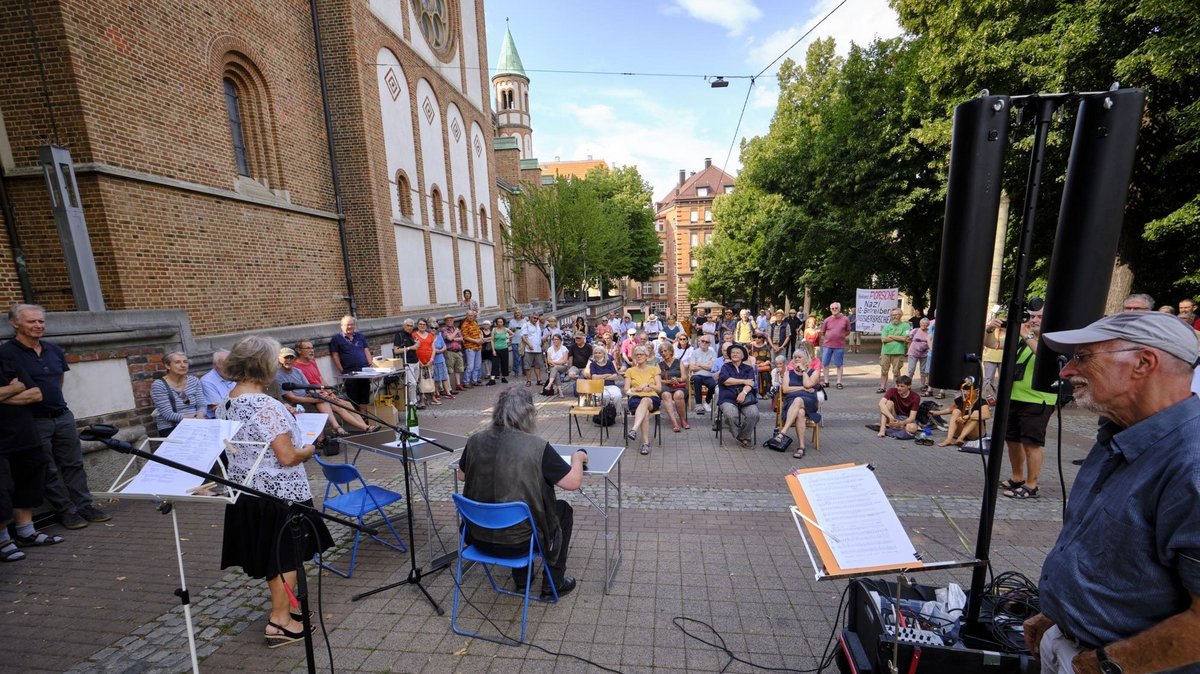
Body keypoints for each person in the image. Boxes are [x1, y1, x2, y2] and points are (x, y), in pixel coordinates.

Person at [1022, 311, 1200, 674]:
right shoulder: (1117, 432)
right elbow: (1108, 555)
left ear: (1144, 362)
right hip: (1074, 644)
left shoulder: (1190, 464)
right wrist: (1056, 616)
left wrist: (1109, 662)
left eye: (1083, 357)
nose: (1066, 371)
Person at [216, 335, 333, 647]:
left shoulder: (226, 403)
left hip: (249, 493)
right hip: (280, 495)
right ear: (264, 366)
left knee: (273, 557)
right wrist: (309, 448)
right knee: (286, 558)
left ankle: (283, 613)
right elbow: (287, 456)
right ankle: (279, 621)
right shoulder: (265, 404)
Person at [457, 386, 586, 598]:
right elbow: (573, 483)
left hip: (477, 538)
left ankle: (521, 578)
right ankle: (553, 583)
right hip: (519, 542)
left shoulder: (475, 440)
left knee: (511, 505)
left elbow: (462, 475)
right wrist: (578, 457)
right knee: (562, 510)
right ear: (529, 413)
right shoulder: (537, 446)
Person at [0, 304, 110, 530]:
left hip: (62, 415)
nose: (38, 325)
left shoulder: (53, 349)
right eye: (32, 321)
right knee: (46, 468)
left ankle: (84, 505)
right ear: (14, 323)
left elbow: (58, 381)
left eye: (41, 321)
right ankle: (66, 511)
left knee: (74, 463)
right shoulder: (6, 353)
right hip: (33, 421)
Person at [984, 301, 1057, 500]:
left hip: (1038, 399)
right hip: (1013, 397)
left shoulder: (1052, 339)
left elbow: (1044, 359)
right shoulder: (1021, 339)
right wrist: (990, 329)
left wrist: (1027, 335)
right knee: (1012, 440)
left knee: (1031, 443)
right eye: (1032, 316)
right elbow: (992, 345)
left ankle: (1032, 484)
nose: (1034, 320)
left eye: (1040, 317)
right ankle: (1017, 477)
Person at [0, 349, 62, 560]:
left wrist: (4, 393)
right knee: (1, 489)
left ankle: (26, 531)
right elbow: (24, 391)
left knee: (29, 482)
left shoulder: (7, 361)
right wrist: (15, 388)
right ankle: (3, 540)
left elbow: (36, 394)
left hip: (24, 435)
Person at [292, 340, 374, 430]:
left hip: (325, 393)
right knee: (339, 408)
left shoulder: (312, 362)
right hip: (315, 396)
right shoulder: (296, 367)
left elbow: (321, 379)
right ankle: (364, 427)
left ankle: (366, 427)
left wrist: (331, 393)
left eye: (312, 348)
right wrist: (323, 394)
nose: (312, 350)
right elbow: (304, 386)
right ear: (299, 350)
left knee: (347, 404)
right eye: (308, 348)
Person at [772, 349, 820, 459]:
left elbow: (808, 384)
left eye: (799, 357)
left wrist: (803, 372)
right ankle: (801, 447)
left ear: (806, 359)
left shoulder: (814, 372)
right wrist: (802, 388)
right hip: (791, 403)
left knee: (798, 400)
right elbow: (785, 390)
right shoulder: (788, 373)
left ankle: (783, 432)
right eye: (795, 357)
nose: (797, 359)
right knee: (800, 412)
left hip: (809, 401)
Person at [150, 351, 207, 435]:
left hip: (196, 423)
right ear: (167, 365)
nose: (183, 365)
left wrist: (200, 415)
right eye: (177, 362)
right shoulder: (159, 385)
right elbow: (168, 414)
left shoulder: (193, 380)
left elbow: (201, 405)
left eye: (185, 362)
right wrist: (193, 419)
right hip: (172, 427)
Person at [717, 343, 760, 448]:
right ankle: (741, 437)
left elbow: (750, 383)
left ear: (742, 356)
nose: (734, 354)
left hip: (745, 398)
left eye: (737, 353)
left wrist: (743, 393)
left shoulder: (748, 368)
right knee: (731, 414)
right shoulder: (725, 367)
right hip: (728, 398)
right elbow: (726, 381)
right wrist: (743, 381)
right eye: (732, 353)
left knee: (754, 414)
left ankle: (743, 436)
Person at [623, 346, 661, 456]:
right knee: (645, 413)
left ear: (646, 356)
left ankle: (634, 429)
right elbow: (626, 390)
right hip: (635, 398)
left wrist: (650, 386)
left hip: (652, 398)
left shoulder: (654, 369)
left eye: (641, 354)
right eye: (636, 354)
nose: (639, 356)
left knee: (645, 400)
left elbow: (659, 388)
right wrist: (635, 389)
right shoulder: (630, 371)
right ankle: (645, 444)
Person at [329, 315, 372, 407]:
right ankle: (357, 418)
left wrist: (370, 363)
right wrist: (342, 371)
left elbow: (366, 350)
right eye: (347, 325)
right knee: (353, 396)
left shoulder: (359, 336)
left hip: (363, 370)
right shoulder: (336, 338)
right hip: (349, 372)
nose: (350, 327)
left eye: (352, 324)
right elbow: (335, 355)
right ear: (341, 326)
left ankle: (364, 418)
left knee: (365, 395)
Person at [819, 302, 852, 389]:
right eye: (832, 308)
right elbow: (822, 332)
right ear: (830, 310)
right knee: (825, 363)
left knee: (839, 364)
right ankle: (826, 381)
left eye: (836, 308)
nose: (834, 310)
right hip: (827, 345)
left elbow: (848, 331)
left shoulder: (845, 319)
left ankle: (839, 382)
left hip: (839, 345)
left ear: (839, 309)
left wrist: (840, 336)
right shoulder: (827, 320)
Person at [658, 341, 688, 432]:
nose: (664, 353)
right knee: (666, 395)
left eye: (665, 351)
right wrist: (668, 381)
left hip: (679, 386)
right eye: (662, 352)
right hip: (666, 386)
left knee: (678, 395)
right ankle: (674, 422)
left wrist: (677, 380)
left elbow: (684, 377)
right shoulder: (659, 365)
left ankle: (683, 419)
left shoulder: (679, 362)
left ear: (671, 351)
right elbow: (658, 380)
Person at [684, 333, 718, 415]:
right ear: (699, 342)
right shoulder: (694, 353)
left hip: (709, 375)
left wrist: (699, 364)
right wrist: (706, 364)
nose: (704, 343)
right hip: (697, 375)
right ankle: (698, 404)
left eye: (707, 342)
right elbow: (692, 368)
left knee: (714, 384)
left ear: (710, 344)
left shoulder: (713, 353)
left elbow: (712, 368)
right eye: (703, 341)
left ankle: (706, 402)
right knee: (697, 379)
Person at [392, 318, 422, 407]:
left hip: (415, 361)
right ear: (404, 326)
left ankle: (415, 399)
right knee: (411, 383)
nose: (409, 327)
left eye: (411, 326)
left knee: (415, 382)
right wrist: (410, 347)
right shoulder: (399, 335)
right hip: (407, 363)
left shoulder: (411, 335)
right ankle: (413, 403)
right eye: (408, 326)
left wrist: (416, 344)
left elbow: (414, 347)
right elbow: (396, 351)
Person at [878, 309, 908, 393]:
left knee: (896, 372)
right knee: (884, 370)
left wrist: (891, 336)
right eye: (892, 315)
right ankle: (882, 387)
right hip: (885, 352)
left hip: (898, 352)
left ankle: (896, 388)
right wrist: (898, 337)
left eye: (896, 314)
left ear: (901, 315)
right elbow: (883, 339)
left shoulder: (906, 326)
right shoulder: (886, 326)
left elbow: (905, 338)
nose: (894, 316)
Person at [201, 349, 235, 418]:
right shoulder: (207, 381)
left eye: (231, 364)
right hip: (219, 419)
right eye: (224, 364)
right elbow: (219, 409)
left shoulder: (237, 374)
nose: (229, 368)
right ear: (215, 365)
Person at [429, 318, 454, 402]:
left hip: (440, 358)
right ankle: (437, 393)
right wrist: (434, 351)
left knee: (444, 376)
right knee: (435, 378)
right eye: (432, 328)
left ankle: (448, 392)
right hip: (433, 360)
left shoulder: (439, 337)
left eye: (435, 328)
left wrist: (440, 350)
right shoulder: (428, 337)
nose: (434, 330)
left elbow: (445, 346)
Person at [906, 317, 932, 395]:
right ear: (920, 324)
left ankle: (923, 385)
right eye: (922, 324)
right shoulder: (915, 330)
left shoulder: (929, 332)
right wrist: (908, 351)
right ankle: (908, 385)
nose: (923, 325)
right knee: (911, 370)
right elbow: (909, 341)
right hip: (913, 352)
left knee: (923, 371)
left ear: (928, 325)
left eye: (925, 324)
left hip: (924, 353)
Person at [441, 315, 466, 391]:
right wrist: (455, 333)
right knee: (450, 370)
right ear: (445, 322)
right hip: (450, 351)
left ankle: (458, 384)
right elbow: (449, 338)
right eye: (447, 320)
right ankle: (449, 387)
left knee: (458, 369)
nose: (449, 322)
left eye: (451, 320)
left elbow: (462, 339)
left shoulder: (456, 328)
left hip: (458, 351)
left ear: (453, 321)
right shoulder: (444, 329)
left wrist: (453, 338)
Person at [461, 310, 484, 387]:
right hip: (470, 347)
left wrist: (481, 338)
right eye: (469, 315)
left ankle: (474, 380)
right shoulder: (465, 324)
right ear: (466, 316)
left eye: (472, 315)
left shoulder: (475, 322)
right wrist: (476, 341)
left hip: (478, 347)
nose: (471, 317)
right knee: (470, 366)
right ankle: (466, 382)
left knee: (477, 365)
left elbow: (479, 332)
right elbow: (465, 336)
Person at [522, 314, 545, 387]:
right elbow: (523, 336)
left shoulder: (538, 325)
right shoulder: (526, 325)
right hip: (529, 349)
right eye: (534, 318)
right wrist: (528, 344)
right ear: (530, 318)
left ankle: (539, 380)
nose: (536, 319)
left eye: (537, 318)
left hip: (538, 349)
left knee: (538, 366)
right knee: (528, 366)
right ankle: (528, 381)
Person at [490, 316, 511, 385]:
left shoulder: (505, 329)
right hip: (496, 349)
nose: (499, 323)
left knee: (504, 363)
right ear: (496, 323)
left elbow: (513, 334)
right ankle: (492, 379)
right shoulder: (494, 330)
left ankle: (503, 377)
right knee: (495, 364)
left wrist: (508, 337)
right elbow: (492, 340)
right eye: (498, 322)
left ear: (503, 323)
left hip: (504, 348)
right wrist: (493, 350)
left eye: (501, 322)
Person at [509, 309, 527, 379]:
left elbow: (526, 330)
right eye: (516, 313)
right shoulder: (511, 321)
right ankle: (516, 371)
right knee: (516, 357)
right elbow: (509, 331)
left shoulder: (524, 321)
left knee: (523, 357)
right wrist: (512, 329)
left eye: (519, 313)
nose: (517, 314)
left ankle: (524, 370)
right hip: (514, 341)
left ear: (521, 314)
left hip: (522, 341)